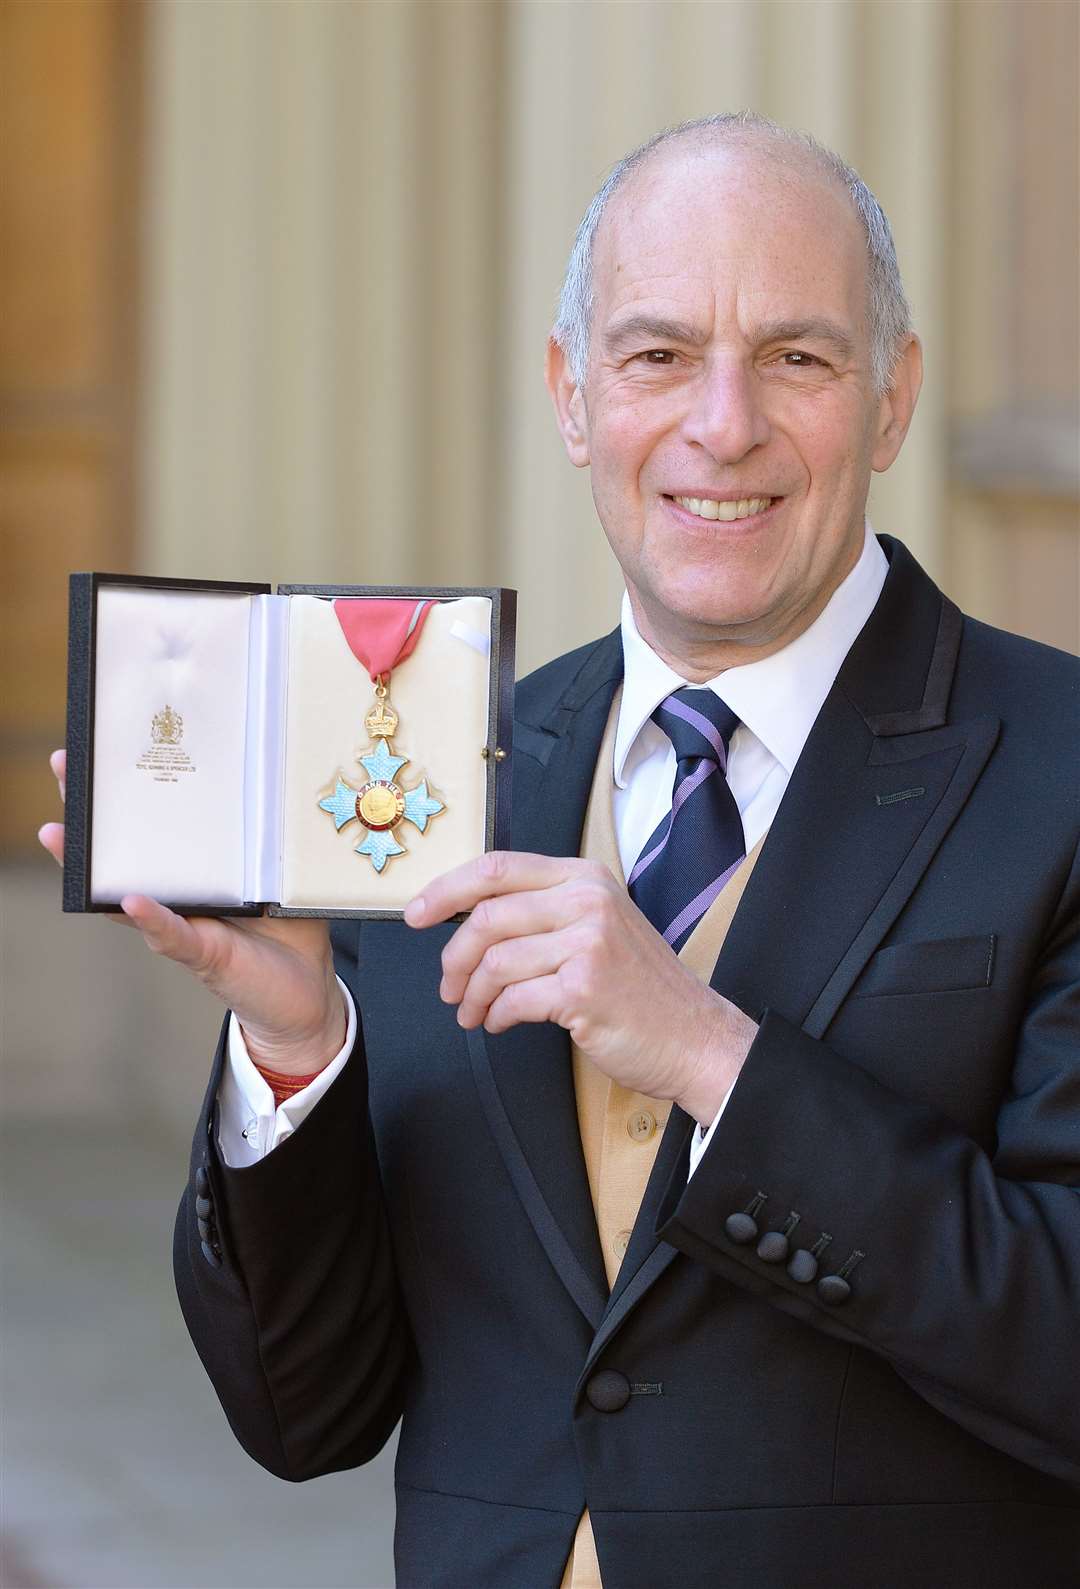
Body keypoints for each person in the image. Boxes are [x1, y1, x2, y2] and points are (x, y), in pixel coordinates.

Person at [41, 113, 1080, 1589]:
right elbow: (303, 1412)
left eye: (797, 356)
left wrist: (713, 1053)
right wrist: (294, 1050)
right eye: (657, 356)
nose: (722, 424)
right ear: (572, 393)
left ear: (894, 397)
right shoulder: (439, 773)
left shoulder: (1058, 767)